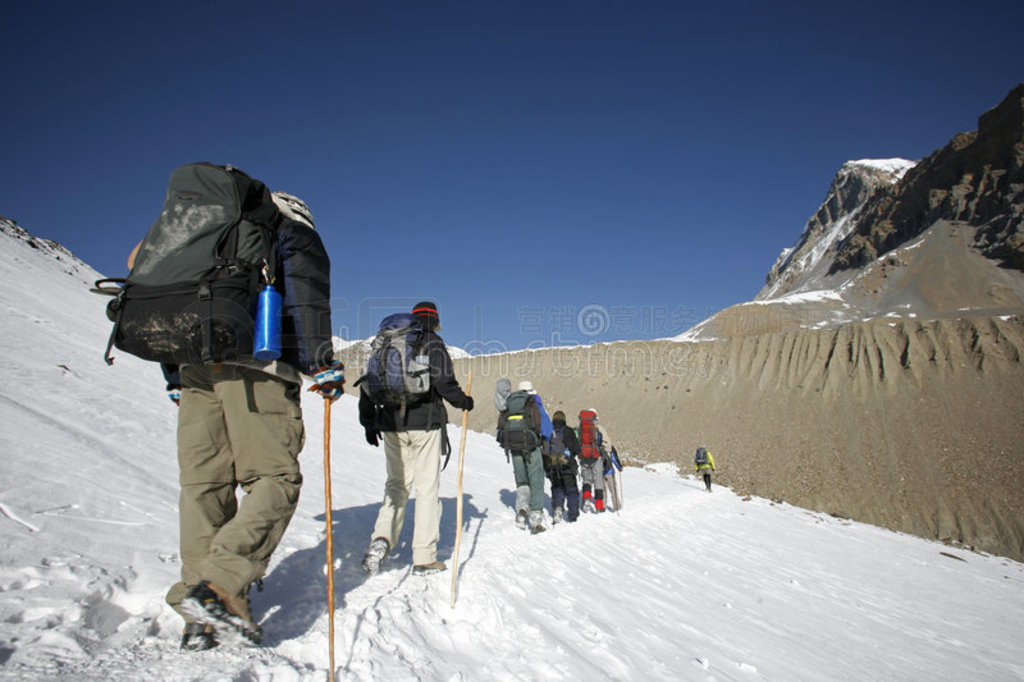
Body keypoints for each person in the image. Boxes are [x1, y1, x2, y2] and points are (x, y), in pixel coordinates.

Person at [158, 190, 342, 650]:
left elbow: (169, 298)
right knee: (275, 479)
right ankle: (219, 586)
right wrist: (321, 362)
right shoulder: (290, 232)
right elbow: (305, 297)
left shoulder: (204, 238)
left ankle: (200, 617)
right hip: (258, 364)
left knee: (205, 488)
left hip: (194, 367)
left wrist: (173, 374)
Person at [359, 301, 474, 576]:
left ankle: (380, 542)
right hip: (425, 425)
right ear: (434, 321)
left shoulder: (385, 342)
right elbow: (444, 382)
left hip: (390, 425)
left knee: (396, 486)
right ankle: (424, 557)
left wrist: (369, 423)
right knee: (426, 490)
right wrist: (464, 402)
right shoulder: (431, 341)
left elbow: (367, 383)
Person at [496, 380, 552, 533]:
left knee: (522, 481)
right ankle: (535, 520)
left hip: (514, 447)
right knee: (536, 480)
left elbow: (500, 427)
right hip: (532, 447)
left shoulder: (511, 403)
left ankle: (521, 512)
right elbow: (547, 428)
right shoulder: (533, 403)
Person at [543, 410, 581, 523]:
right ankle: (573, 515)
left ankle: (558, 508)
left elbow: (544, 449)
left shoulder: (548, 431)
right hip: (567, 466)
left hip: (553, 466)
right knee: (571, 490)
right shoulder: (568, 431)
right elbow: (576, 449)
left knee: (557, 487)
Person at [577, 409, 614, 513]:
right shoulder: (598, 428)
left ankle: (586, 499)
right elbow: (605, 443)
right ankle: (598, 505)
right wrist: (607, 453)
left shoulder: (580, 428)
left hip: (583, 455)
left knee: (586, 479)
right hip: (596, 456)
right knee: (598, 480)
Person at [602, 447, 624, 511]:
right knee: (613, 490)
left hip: (600, 472)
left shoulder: (595, 444)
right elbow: (614, 458)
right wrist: (619, 467)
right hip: (610, 471)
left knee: (603, 490)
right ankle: (617, 507)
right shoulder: (608, 446)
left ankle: (602, 506)